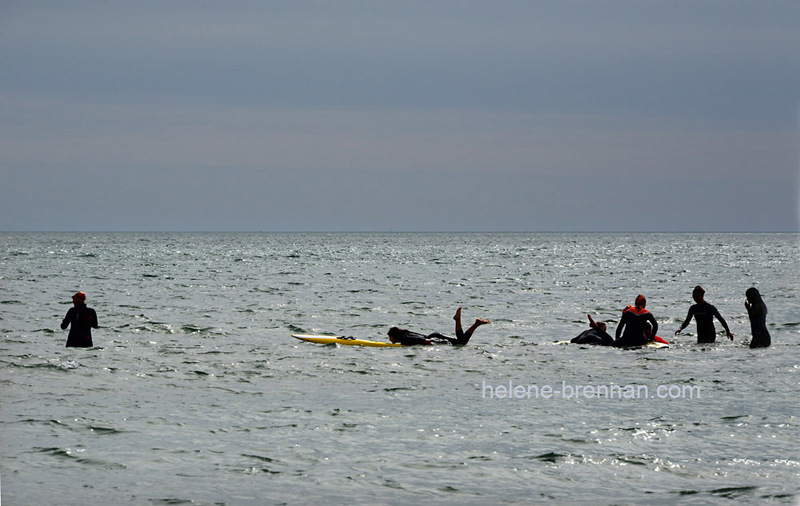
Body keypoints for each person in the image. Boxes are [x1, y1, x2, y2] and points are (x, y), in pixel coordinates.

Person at [387, 307, 489, 346]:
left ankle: (469, 323)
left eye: (390, 338)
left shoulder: (404, 339)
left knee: (461, 343)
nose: (389, 340)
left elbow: (413, 339)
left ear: (395, 336)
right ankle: (473, 323)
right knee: (461, 341)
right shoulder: (404, 333)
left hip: (433, 339)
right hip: (433, 335)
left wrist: (425, 342)